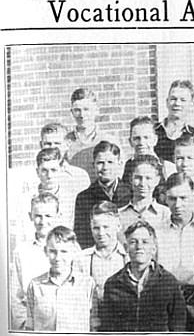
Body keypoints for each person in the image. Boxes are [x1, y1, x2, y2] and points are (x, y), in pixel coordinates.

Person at [100, 221, 186, 331]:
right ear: (126, 248)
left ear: (154, 248)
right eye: (133, 242)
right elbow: (107, 327)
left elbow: (178, 325)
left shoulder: (168, 282)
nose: (139, 246)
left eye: (145, 242)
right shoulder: (113, 284)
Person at [25, 226, 98, 331]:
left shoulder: (87, 284)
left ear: (73, 253)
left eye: (64, 251)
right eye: (52, 251)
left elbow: (94, 326)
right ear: (46, 251)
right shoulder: (35, 285)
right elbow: (30, 326)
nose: (58, 258)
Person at [10, 193, 59, 330]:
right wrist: (24, 325)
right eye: (38, 216)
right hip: (34, 325)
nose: (43, 221)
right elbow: (16, 296)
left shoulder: (70, 247)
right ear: (30, 216)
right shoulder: (22, 251)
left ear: (57, 216)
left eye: (48, 216)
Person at [74, 141, 132, 248]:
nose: (105, 167)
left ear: (119, 164)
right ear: (93, 165)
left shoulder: (130, 192)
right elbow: (82, 237)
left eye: (110, 162)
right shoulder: (84, 198)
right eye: (100, 163)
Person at [73, 202, 127, 302]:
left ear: (118, 226)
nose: (101, 233)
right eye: (96, 228)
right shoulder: (81, 259)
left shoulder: (128, 257)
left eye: (106, 227)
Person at [66, 88, 121, 180]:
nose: (82, 115)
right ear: (72, 112)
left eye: (86, 109)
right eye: (77, 110)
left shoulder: (109, 140)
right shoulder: (65, 141)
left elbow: (118, 173)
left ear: (96, 110)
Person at [154, 80, 194, 163]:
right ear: (167, 102)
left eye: (183, 100)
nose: (177, 103)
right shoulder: (153, 131)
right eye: (173, 99)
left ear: (191, 105)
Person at [117, 155, 171, 235]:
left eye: (148, 178)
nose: (143, 183)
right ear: (130, 179)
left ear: (157, 180)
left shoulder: (166, 214)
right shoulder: (119, 215)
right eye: (138, 178)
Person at [121, 116, 176, 184]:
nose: (141, 143)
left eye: (146, 138)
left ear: (155, 140)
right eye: (136, 138)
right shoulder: (124, 168)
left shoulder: (168, 168)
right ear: (130, 141)